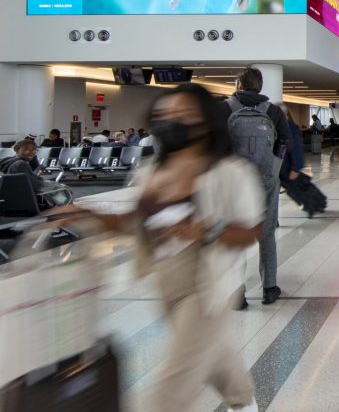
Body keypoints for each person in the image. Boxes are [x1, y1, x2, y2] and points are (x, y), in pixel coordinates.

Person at [56, 83, 261, 412]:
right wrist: (87, 214)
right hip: (167, 283)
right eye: (165, 115)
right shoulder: (151, 170)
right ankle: (245, 402)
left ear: (205, 122)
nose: (171, 122)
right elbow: (134, 223)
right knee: (213, 357)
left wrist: (206, 231)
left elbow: (251, 230)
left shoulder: (229, 172)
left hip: (207, 282)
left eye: (183, 115)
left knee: (176, 380)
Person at [224, 66, 290, 307]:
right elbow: (285, 141)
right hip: (266, 180)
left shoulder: (225, 108)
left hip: (233, 182)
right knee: (267, 234)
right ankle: (269, 289)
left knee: (233, 235)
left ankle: (236, 294)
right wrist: (272, 168)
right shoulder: (272, 111)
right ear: (260, 86)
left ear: (239, 85)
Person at [279, 103, 303, 182]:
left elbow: (296, 147)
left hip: (287, 166)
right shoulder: (281, 125)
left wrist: (296, 167)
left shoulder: (290, 127)